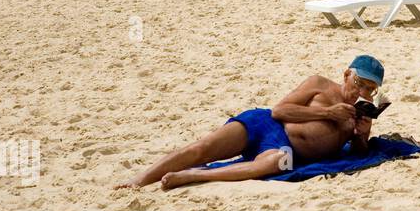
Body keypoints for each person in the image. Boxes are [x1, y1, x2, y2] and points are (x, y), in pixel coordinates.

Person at [117, 56, 388, 190]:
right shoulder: (319, 85)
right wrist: (328, 114)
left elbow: (358, 155)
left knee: (272, 163)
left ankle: (192, 175)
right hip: (265, 124)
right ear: (346, 75)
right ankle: (140, 179)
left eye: (369, 90)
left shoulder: (360, 113)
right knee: (203, 147)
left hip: (285, 149)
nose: (361, 93)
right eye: (358, 84)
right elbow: (280, 111)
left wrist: (362, 137)